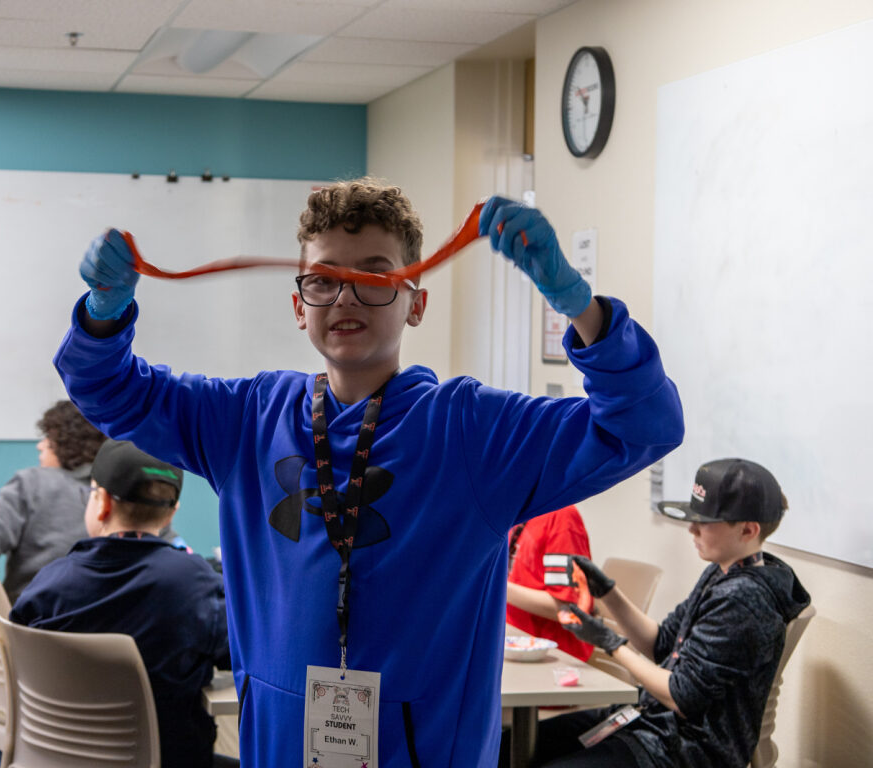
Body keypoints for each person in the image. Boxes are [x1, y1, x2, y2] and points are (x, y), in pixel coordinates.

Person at [54, 179, 684, 765]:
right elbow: (107, 387)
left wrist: (581, 307)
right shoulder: (244, 419)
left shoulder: (473, 432)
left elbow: (644, 425)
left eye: (375, 277)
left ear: (416, 303)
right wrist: (103, 311)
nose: (346, 297)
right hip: (278, 744)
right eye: (323, 280)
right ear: (299, 305)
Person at [523, 458, 811, 768]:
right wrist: (608, 592)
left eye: (705, 521)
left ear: (748, 530)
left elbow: (681, 697)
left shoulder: (743, 599)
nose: (692, 528)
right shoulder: (721, 573)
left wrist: (611, 644)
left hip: (686, 749)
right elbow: (662, 644)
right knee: (520, 743)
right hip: (652, 721)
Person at [11, 438, 230, 768]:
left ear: (102, 504)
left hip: (58, 758)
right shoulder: (196, 583)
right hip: (167, 759)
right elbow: (236, 653)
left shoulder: (50, 583)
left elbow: (19, 659)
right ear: (171, 513)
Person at [0, 399, 104, 695]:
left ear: (68, 443)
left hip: (34, 641)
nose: (40, 446)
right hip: (118, 648)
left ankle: (18, 740)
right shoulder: (127, 490)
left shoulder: (32, 485)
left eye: (49, 439)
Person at [505, 505, 595, 661]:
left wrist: (495, 587)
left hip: (553, 655)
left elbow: (568, 609)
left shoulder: (561, 516)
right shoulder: (518, 511)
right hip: (513, 641)